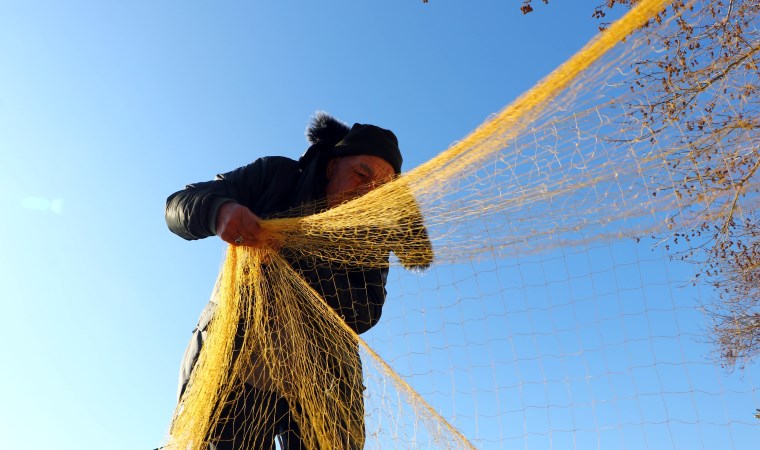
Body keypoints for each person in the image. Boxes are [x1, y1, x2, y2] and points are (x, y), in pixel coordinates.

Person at [165, 113, 410, 449]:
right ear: (331, 167)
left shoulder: (372, 236)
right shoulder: (275, 176)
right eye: (361, 174)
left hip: (324, 379)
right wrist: (218, 212)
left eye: (380, 189)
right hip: (236, 364)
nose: (365, 192)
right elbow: (178, 205)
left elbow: (365, 312)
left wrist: (294, 255)